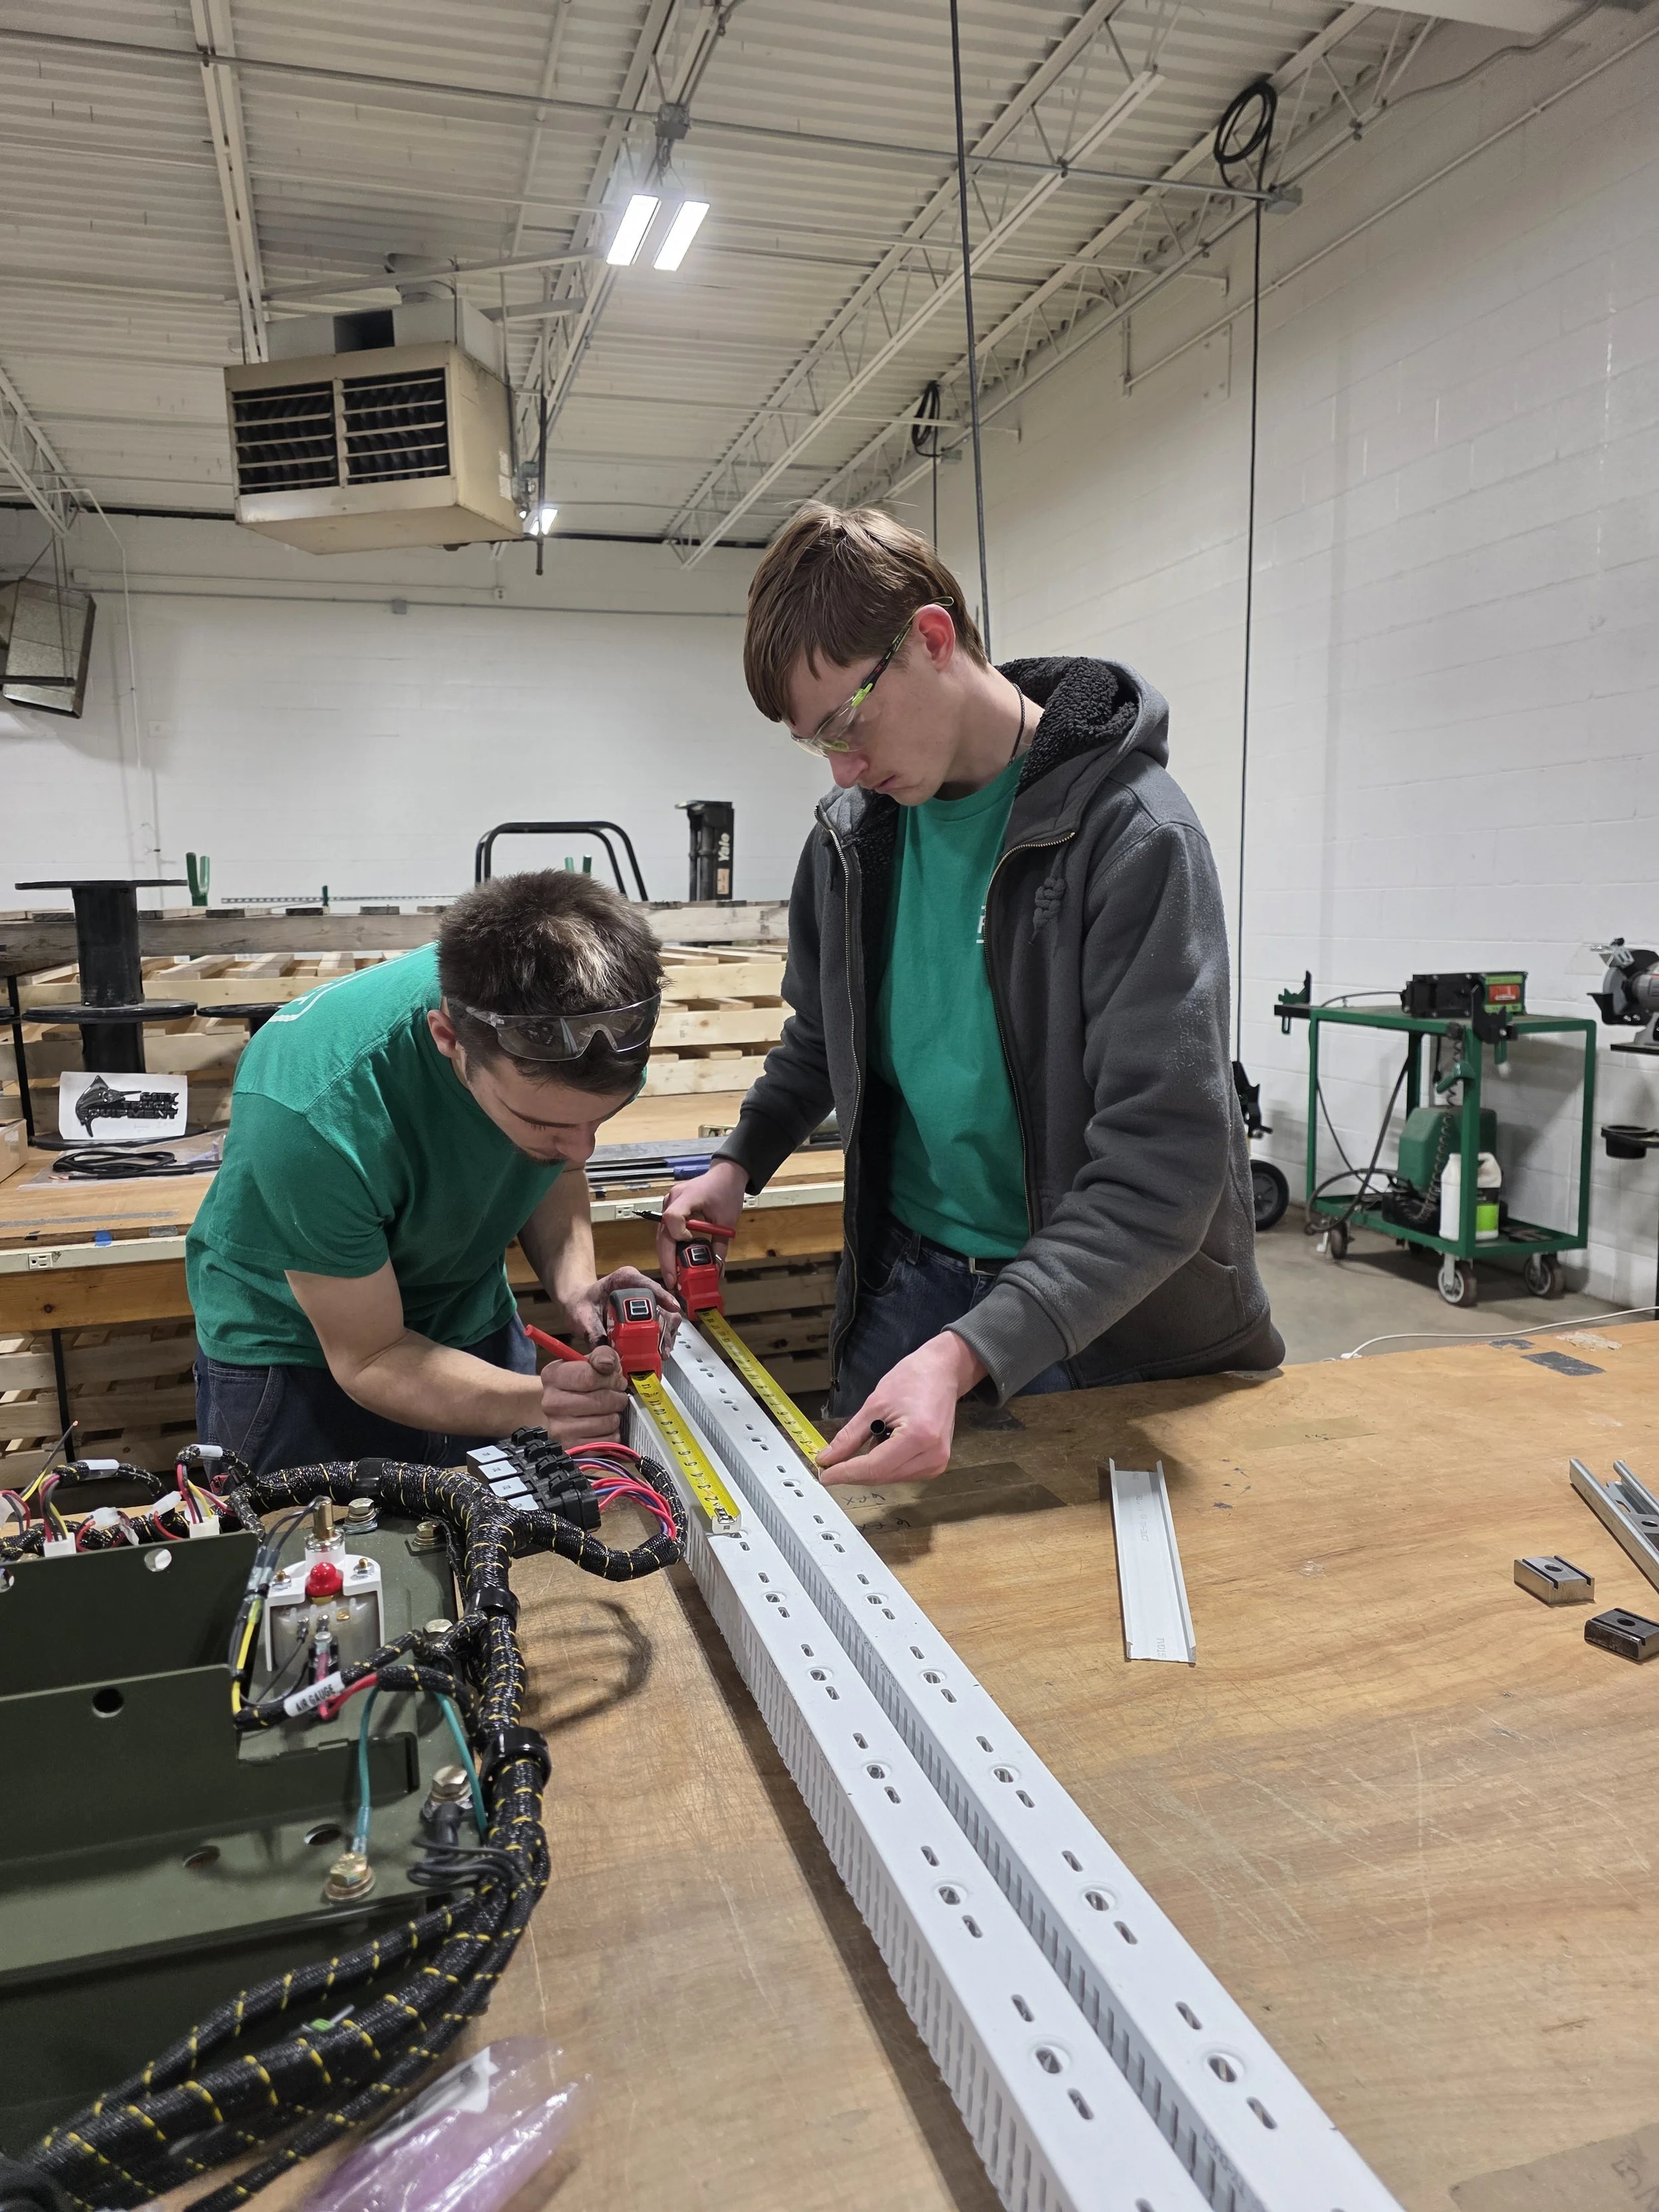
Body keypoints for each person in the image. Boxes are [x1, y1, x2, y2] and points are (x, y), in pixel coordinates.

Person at [660, 503, 1281, 1485]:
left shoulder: (1134, 841)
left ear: (932, 640)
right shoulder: (853, 839)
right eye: (813, 741)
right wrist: (741, 1161)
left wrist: (966, 1353)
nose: (843, 765)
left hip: (1099, 1317)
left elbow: (1165, 1167)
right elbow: (826, 1036)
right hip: (909, 1284)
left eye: (848, 719)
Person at [190, 871, 671, 1473]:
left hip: (466, 1314)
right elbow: (370, 1356)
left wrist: (577, 1289)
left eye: (600, 1121)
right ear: (449, 1039)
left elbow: (555, 1164)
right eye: (545, 1125)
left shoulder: (588, 1040)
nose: (581, 1153)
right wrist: (537, 1404)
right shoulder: (313, 1114)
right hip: (304, 1355)